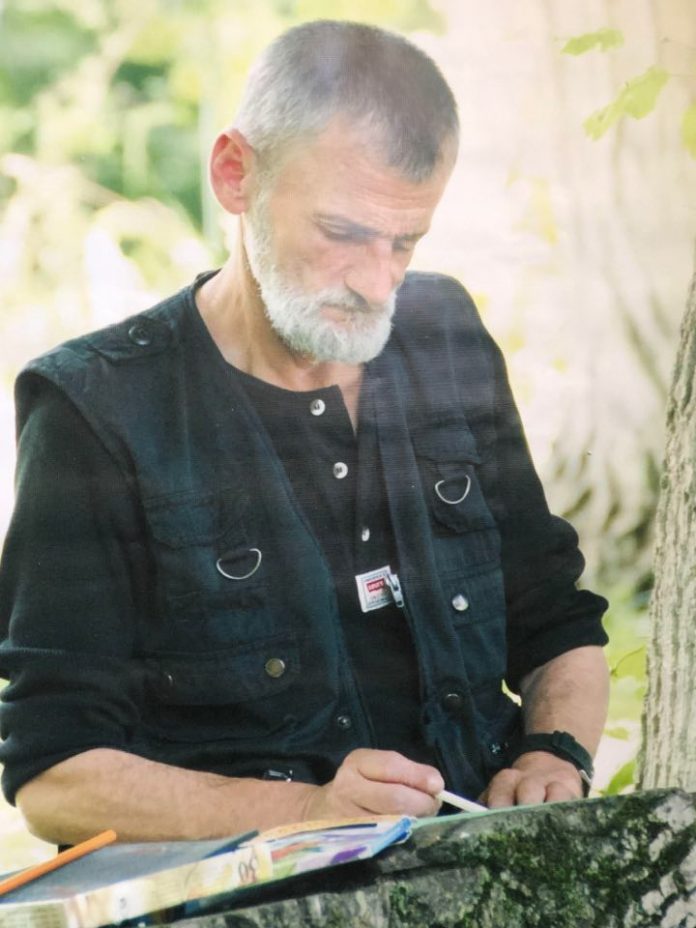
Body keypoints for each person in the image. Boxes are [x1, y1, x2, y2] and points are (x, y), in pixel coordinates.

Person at [0, 20, 609, 847]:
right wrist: (307, 815)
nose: (377, 283)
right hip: (255, 893)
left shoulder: (446, 334)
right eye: (343, 234)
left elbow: (556, 621)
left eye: (405, 242)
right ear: (236, 173)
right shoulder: (95, 407)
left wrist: (553, 753)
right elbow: (55, 776)